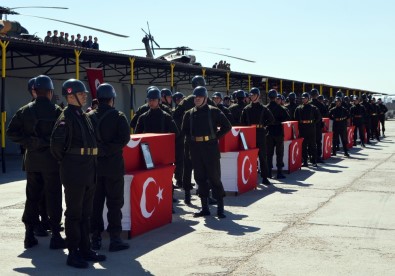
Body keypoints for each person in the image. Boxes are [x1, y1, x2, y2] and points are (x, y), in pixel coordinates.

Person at [51, 79, 106, 268]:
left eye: (84, 94)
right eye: (81, 93)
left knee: (86, 213)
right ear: (70, 95)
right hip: (74, 170)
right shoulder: (66, 117)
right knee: (74, 213)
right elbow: (56, 147)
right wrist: (70, 163)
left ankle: (85, 248)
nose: (85, 96)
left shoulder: (83, 115)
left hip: (89, 168)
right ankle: (73, 252)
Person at [6, 75, 65, 249]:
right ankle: (55, 235)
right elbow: (63, 138)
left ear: (34, 91)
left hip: (32, 162)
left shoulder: (25, 110)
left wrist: (30, 141)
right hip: (52, 162)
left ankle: (29, 234)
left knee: (32, 198)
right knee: (54, 197)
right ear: (50, 92)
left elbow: (11, 132)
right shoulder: (56, 111)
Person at [88, 83, 130, 252]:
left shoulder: (89, 117)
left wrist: (99, 150)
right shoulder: (119, 116)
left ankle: (95, 238)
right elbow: (124, 139)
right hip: (113, 167)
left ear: (97, 99)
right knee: (114, 204)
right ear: (112, 99)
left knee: (95, 205)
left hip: (95, 168)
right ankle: (115, 239)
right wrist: (107, 150)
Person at [181, 86, 232, 218]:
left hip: (210, 149)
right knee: (200, 178)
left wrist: (215, 137)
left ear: (205, 98)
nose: (197, 99)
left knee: (214, 178)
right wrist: (191, 145)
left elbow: (227, 126)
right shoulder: (189, 114)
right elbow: (184, 131)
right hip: (196, 149)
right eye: (195, 97)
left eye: (200, 97)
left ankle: (220, 208)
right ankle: (205, 208)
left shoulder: (214, 112)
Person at [172, 75, 216, 204]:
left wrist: (183, 131)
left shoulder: (186, 101)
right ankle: (205, 195)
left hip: (189, 140)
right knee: (205, 168)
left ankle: (187, 196)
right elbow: (217, 113)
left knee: (188, 168)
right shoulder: (206, 100)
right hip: (203, 141)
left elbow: (175, 115)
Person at [240, 87, 275, 184]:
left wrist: (265, 127)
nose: (251, 97)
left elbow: (271, 120)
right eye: (250, 95)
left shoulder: (263, 108)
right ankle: (250, 176)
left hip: (260, 133)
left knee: (262, 156)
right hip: (249, 134)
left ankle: (265, 177)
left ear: (258, 96)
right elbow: (242, 122)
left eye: (253, 95)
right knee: (250, 156)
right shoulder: (246, 108)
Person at [266, 89, 291, 179]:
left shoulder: (266, 107)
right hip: (279, 132)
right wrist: (278, 121)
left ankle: (268, 172)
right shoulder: (280, 107)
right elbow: (287, 117)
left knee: (269, 153)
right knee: (279, 153)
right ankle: (279, 172)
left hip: (269, 132)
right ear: (276, 97)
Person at [294, 92, 321, 167]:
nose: (304, 100)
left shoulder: (313, 108)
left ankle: (314, 161)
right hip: (303, 128)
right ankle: (305, 161)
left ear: (308, 99)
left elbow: (318, 117)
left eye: (305, 98)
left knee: (313, 145)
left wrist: (313, 123)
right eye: (303, 98)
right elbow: (296, 119)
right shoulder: (299, 108)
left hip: (311, 128)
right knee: (304, 145)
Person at [310, 88, 329, 163]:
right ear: (317, 95)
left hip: (310, 125)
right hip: (317, 125)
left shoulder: (309, 103)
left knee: (311, 142)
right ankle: (318, 157)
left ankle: (311, 157)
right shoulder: (320, 104)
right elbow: (326, 113)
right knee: (318, 142)